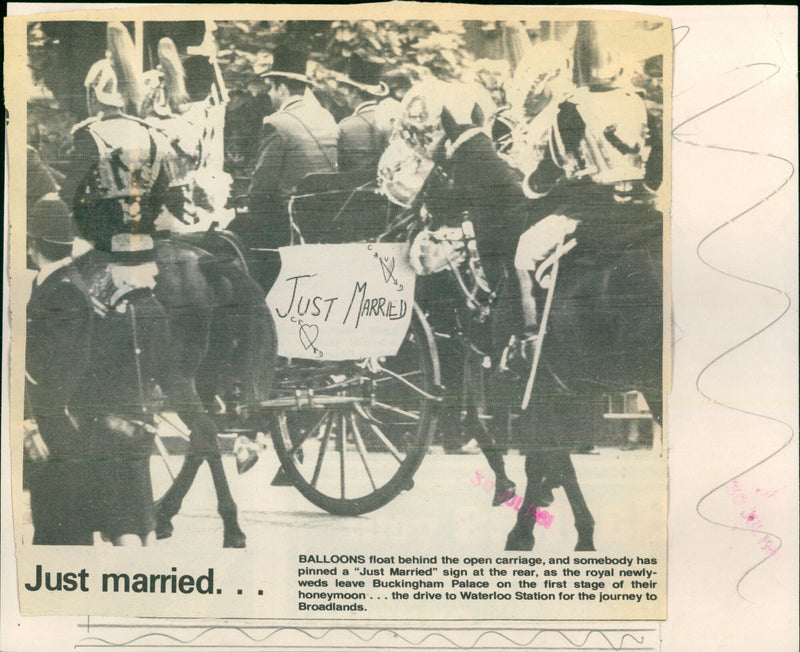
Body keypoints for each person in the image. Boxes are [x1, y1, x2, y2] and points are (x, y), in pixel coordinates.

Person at [59, 62, 174, 546]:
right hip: (147, 267)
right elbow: (166, 195)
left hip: (99, 270)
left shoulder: (88, 137)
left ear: (93, 95)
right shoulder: (152, 134)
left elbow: (67, 200)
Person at [24, 196, 96, 545]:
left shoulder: (62, 291)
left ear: (33, 244)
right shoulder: (55, 284)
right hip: (54, 431)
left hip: (57, 435)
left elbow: (54, 369)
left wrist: (34, 422)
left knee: (61, 536)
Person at [237, 44, 338, 249]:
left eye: (271, 88)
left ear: (282, 88)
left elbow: (261, 186)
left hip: (287, 221)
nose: (270, 95)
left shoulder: (276, 123)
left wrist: (248, 206)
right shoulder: (327, 117)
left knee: (230, 236)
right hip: (328, 216)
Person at [336, 54, 391, 179]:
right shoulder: (392, 120)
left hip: (354, 192)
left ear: (355, 92)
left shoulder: (346, 126)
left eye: (347, 90)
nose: (345, 94)